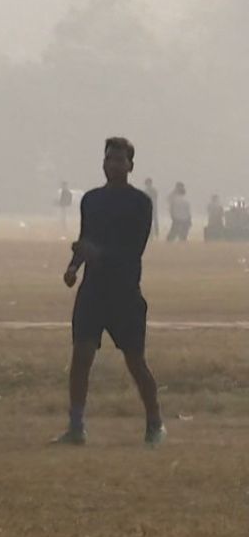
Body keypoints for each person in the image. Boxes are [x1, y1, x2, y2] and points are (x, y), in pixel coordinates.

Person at [55, 137, 164, 448]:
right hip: (93, 291)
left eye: (119, 160)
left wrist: (96, 254)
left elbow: (134, 250)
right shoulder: (91, 200)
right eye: (108, 159)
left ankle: (154, 423)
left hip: (125, 292)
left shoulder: (140, 203)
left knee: (135, 362)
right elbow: (86, 237)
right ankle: (76, 427)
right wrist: (74, 266)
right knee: (80, 358)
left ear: (130, 165)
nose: (112, 165)